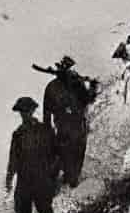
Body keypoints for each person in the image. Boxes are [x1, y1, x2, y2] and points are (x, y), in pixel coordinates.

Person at [4, 94, 68, 213]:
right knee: (22, 208)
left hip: (41, 177)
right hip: (25, 179)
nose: (24, 114)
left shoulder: (45, 130)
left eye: (27, 111)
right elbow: (13, 158)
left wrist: (57, 174)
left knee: (45, 209)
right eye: (22, 111)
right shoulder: (18, 134)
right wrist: (9, 179)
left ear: (32, 111)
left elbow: (57, 153)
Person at [39, 54, 100, 188]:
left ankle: (67, 187)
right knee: (70, 165)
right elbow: (88, 100)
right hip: (70, 131)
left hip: (70, 130)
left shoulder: (60, 86)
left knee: (68, 164)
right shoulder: (72, 84)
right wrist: (93, 87)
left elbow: (46, 116)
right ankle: (67, 187)